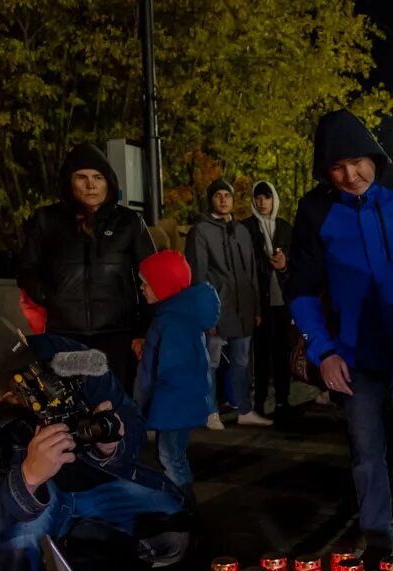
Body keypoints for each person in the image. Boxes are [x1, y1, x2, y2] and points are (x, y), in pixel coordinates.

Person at [0, 314, 185, 571]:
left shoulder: (72, 357)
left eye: (24, 370)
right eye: (2, 386)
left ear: (23, 337)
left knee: (174, 527)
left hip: (93, 480)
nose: (18, 388)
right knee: (19, 562)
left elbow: (132, 420)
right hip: (26, 508)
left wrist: (113, 444)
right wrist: (27, 479)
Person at [287, 109, 393, 566]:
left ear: (374, 156)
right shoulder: (315, 210)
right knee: (367, 455)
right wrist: (324, 349)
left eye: (357, 162)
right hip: (356, 357)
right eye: (337, 167)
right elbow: (299, 288)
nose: (350, 175)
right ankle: (378, 543)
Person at [16, 143, 156, 391]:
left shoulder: (129, 222)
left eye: (98, 178)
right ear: (69, 182)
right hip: (66, 335)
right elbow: (27, 268)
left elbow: (151, 277)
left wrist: (143, 330)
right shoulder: (46, 220)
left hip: (117, 334)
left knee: (115, 402)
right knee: (75, 401)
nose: (91, 185)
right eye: (82, 177)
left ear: (109, 182)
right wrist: (50, 296)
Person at [133, 251, 220, 501]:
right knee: (171, 453)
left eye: (146, 282)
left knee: (170, 456)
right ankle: (179, 501)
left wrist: (146, 397)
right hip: (177, 401)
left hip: (172, 402)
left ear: (163, 285)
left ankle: (183, 504)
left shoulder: (173, 322)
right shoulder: (178, 316)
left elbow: (170, 368)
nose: (141, 287)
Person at [184, 178, 267, 429]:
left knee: (242, 362)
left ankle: (244, 408)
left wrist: (256, 308)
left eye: (227, 195)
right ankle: (209, 412)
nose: (223, 199)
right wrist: (203, 313)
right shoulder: (200, 230)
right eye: (218, 194)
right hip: (216, 308)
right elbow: (197, 274)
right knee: (211, 363)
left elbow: (251, 273)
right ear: (210, 199)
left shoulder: (241, 231)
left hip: (243, 309)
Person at [246, 180, 295, 423]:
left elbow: (296, 263)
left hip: (282, 301)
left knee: (282, 353)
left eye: (267, 197)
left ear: (274, 199)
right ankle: (259, 402)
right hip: (259, 302)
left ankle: (283, 400)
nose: (262, 202)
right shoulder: (246, 228)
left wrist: (284, 265)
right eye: (258, 197)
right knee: (261, 355)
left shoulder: (285, 228)